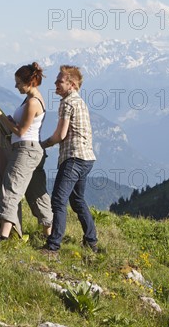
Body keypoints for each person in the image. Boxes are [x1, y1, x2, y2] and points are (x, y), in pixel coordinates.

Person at [0, 62, 53, 240]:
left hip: (25, 151)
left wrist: (1, 117)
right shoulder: (33, 98)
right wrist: (11, 120)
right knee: (36, 193)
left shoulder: (32, 102)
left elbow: (20, 131)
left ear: (30, 82)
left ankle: (3, 236)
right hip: (35, 151)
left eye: (18, 82)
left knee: (11, 188)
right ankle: (50, 236)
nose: (16, 86)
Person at [40, 65, 98, 254]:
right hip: (87, 158)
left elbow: (60, 135)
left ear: (71, 85)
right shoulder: (80, 102)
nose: (55, 83)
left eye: (60, 81)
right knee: (78, 200)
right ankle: (91, 241)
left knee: (58, 200)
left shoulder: (67, 103)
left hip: (73, 158)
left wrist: (42, 144)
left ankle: (53, 245)